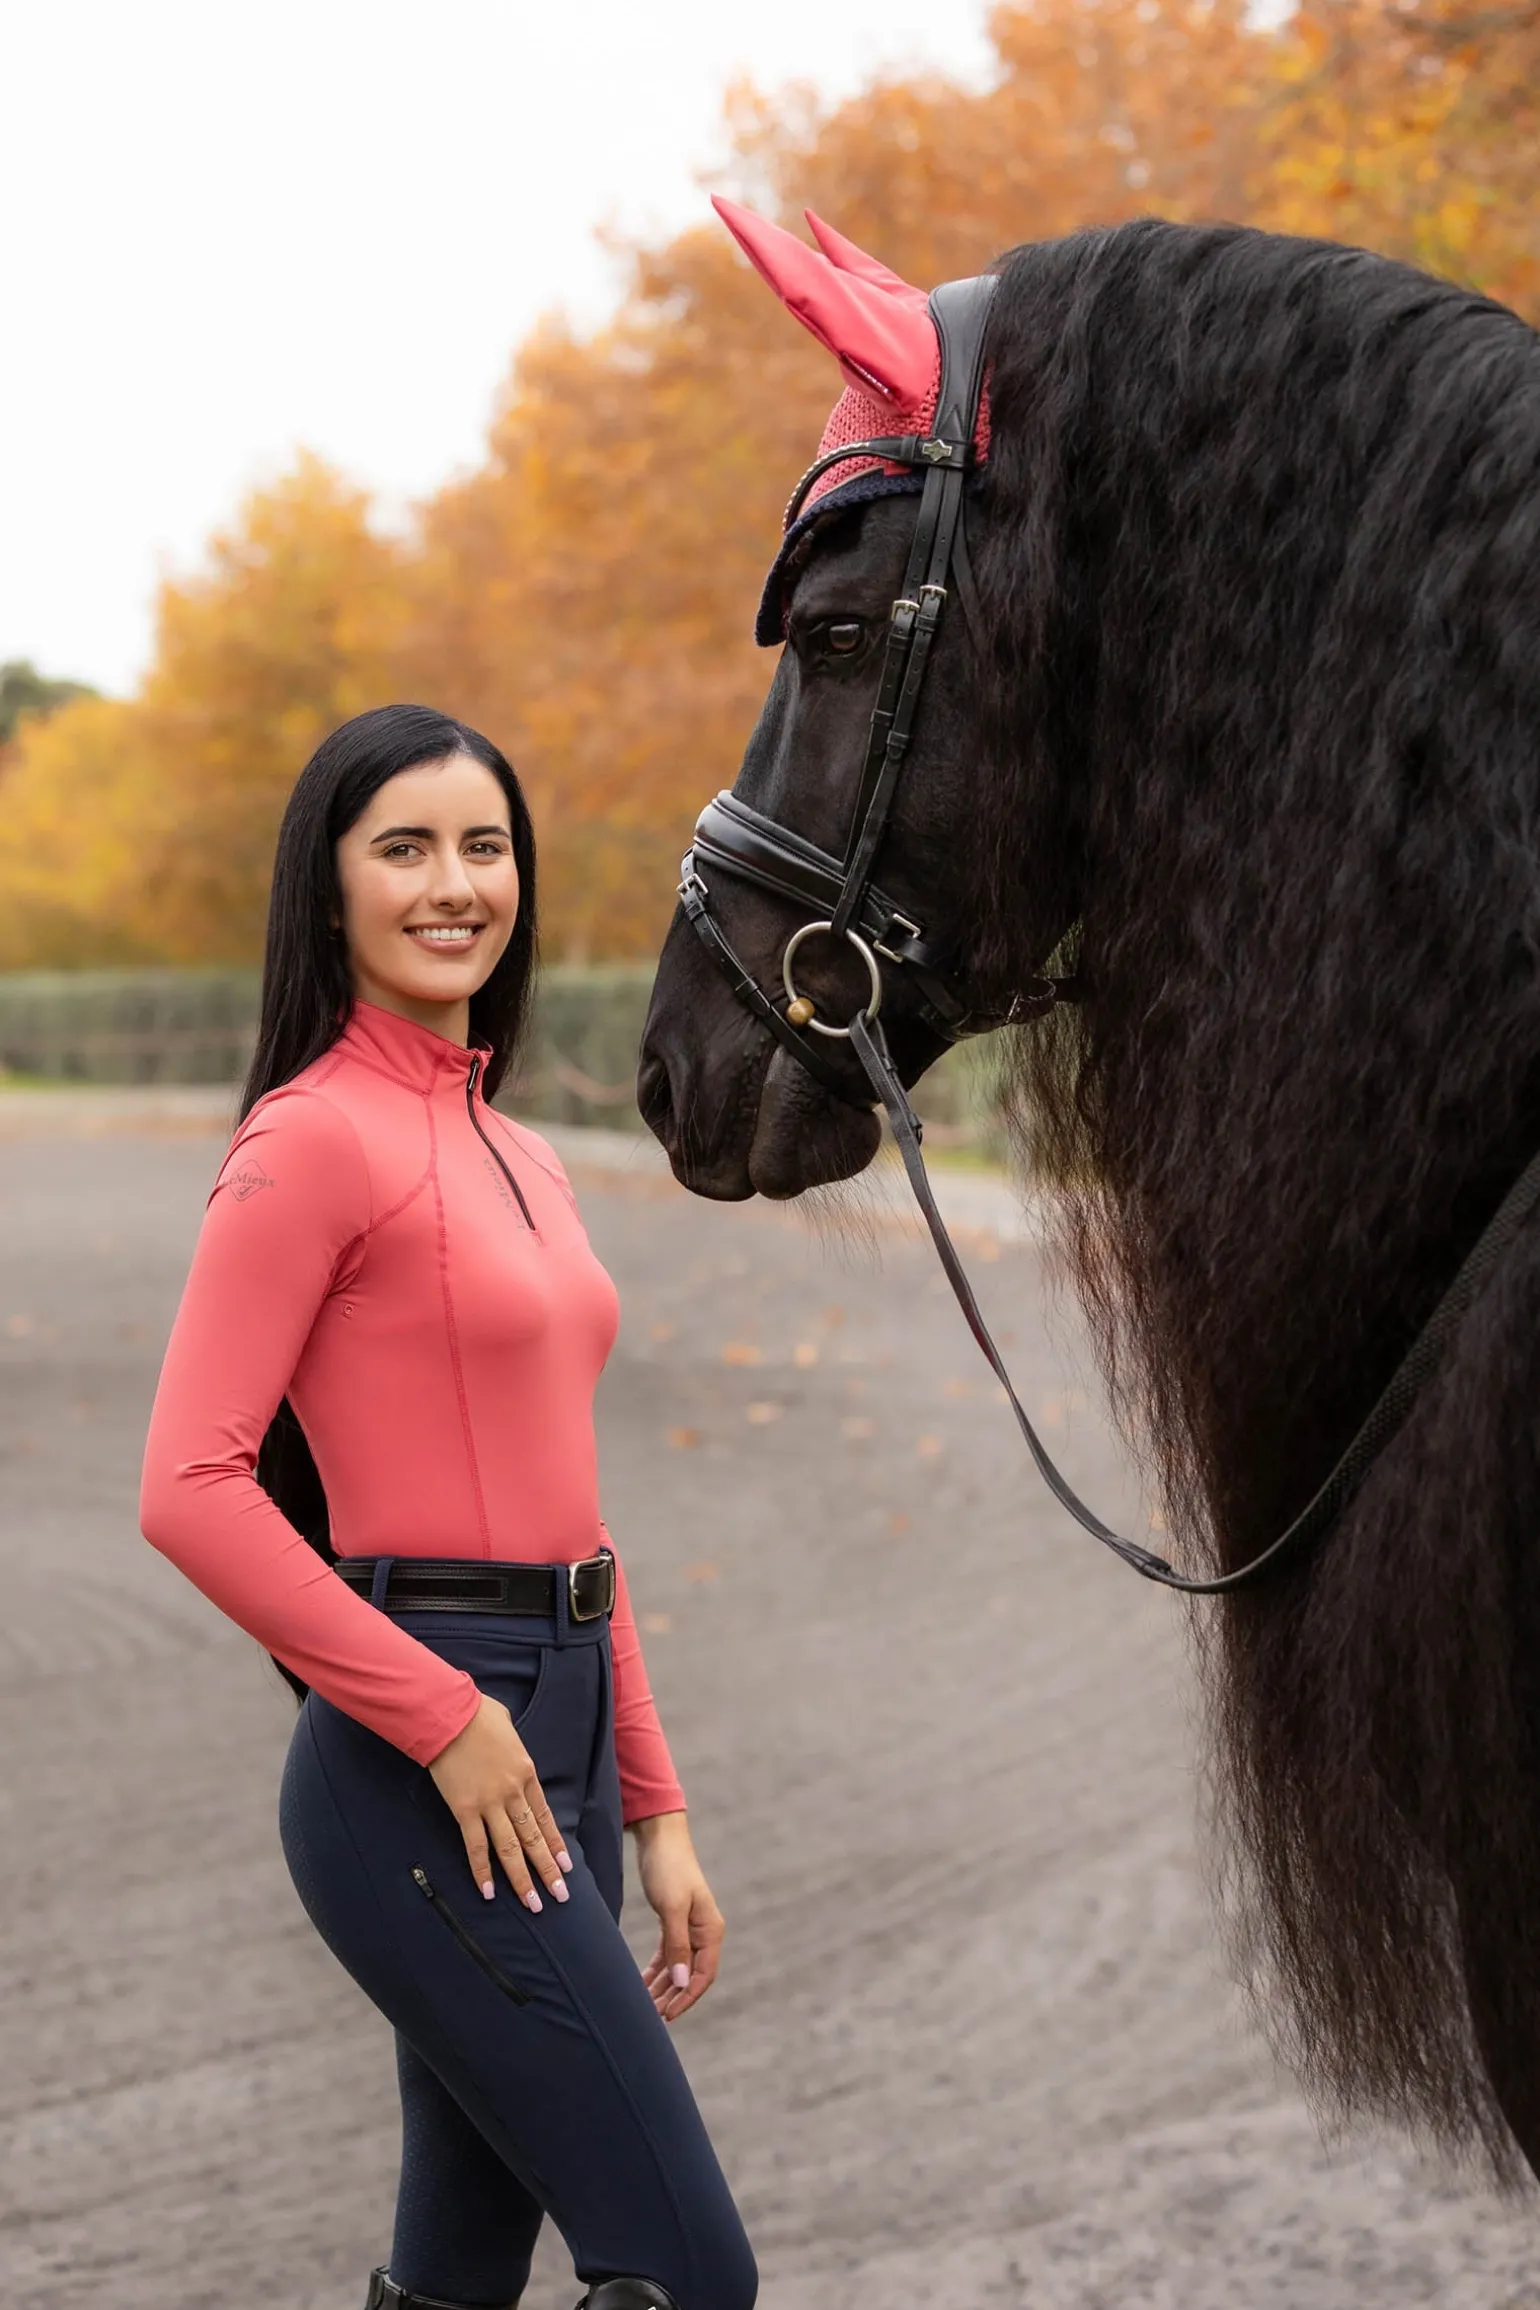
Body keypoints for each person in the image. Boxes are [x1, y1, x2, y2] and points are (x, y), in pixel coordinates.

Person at [139, 704, 757, 2310]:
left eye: (484, 845)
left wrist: (657, 1800)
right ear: (328, 882)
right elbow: (188, 1487)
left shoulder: (523, 1155)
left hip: (561, 1733)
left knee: (461, 2271)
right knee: (690, 2268)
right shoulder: (307, 1141)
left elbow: (574, 1529)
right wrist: (442, 1716)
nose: (453, 883)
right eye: (403, 847)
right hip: (421, 1763)